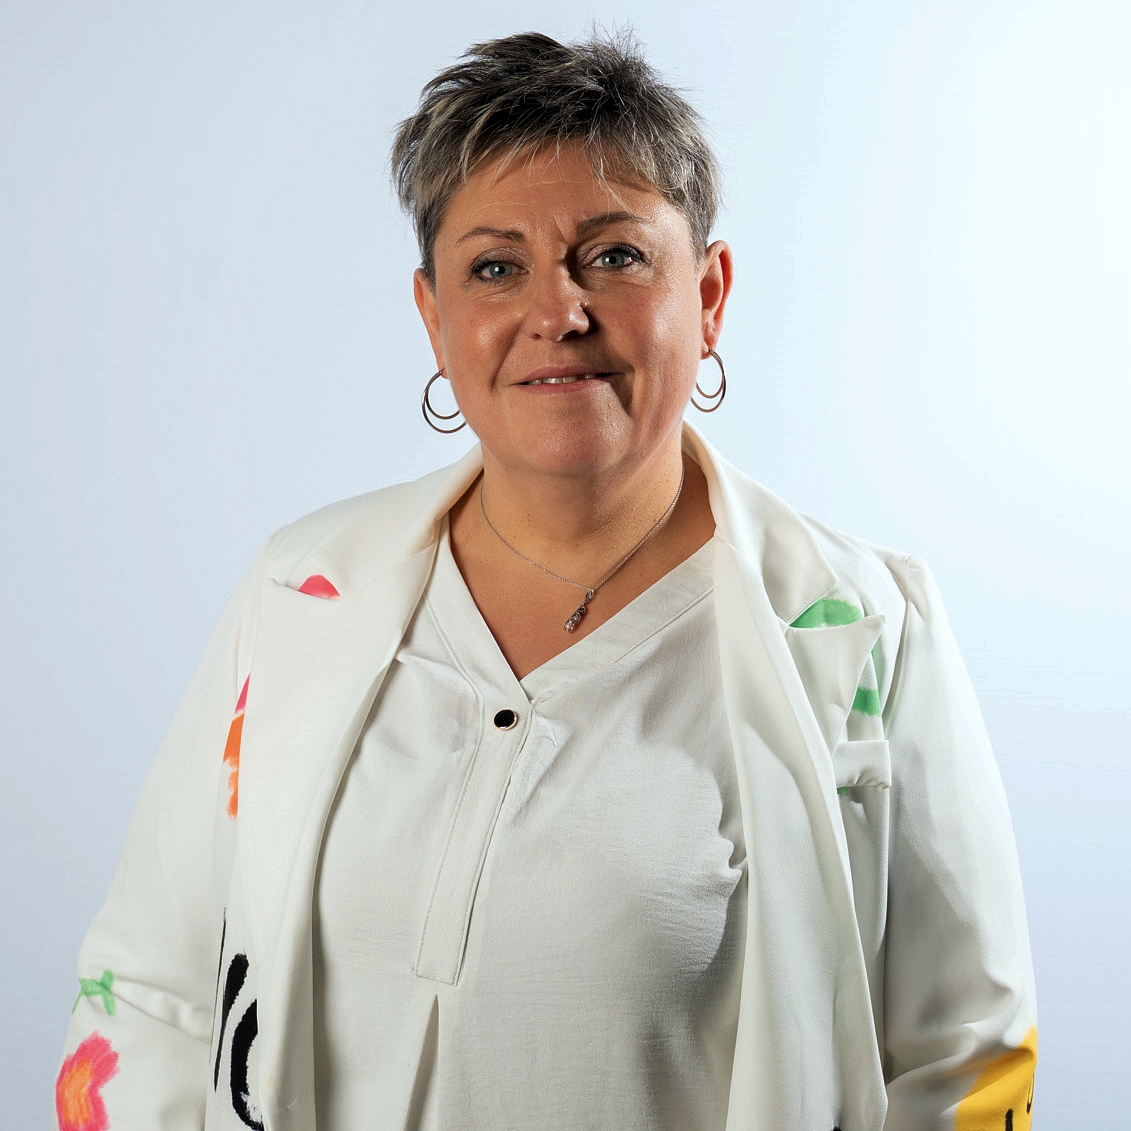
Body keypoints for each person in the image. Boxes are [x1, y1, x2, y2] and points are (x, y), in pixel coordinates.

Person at [55, 30, 1037, 1131]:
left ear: (710, 294)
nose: (556, 312)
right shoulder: (300, 593)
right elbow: (152, 989)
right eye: (495, 267)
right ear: (433, 317)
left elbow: (963, 1061)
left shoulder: (865, 635)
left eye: (613, 257)